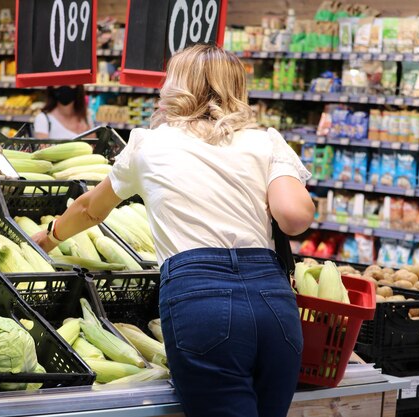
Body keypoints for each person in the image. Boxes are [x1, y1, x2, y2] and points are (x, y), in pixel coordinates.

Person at [32, 44, 314, 417]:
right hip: (273, 304)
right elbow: (293, 217)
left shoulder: (149, 143)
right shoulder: (266, 142)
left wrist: (50, 236)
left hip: (201, 301)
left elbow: (88, 209)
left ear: (175, 87)